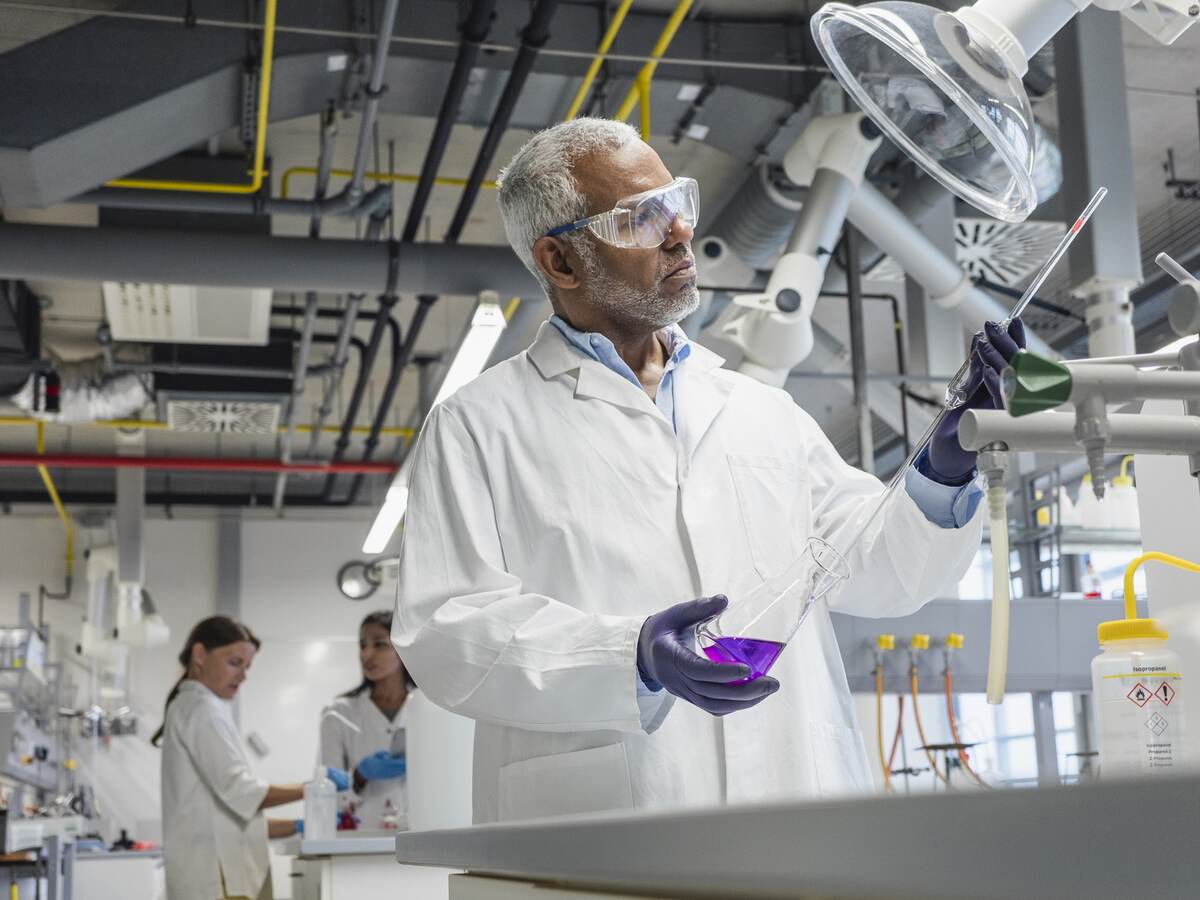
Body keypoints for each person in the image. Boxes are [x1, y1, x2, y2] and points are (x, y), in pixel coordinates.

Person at [392, 117, 1025, 823]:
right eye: (641, 217)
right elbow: (446, 630)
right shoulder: (478, 424)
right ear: (560, 262)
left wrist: (941, 470)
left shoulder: (760, 410)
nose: (678, 233)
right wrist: (627, 655)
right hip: (606, 823)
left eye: (679, 204)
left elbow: (882, 568)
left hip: (791, 805)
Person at [153, 616, 350, 900]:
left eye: (247, 667)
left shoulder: (195, 706)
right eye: (234, 663)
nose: (243, 675)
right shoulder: (201, 709)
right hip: (218, 877)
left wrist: (295, 827)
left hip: (213, 873)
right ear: (199, 655)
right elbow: (242, 792)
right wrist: (314, 787)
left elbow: (227, 811)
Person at [319, 611, 412, 830]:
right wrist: (359, 776)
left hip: (422, 834)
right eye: (362, 645)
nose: (366, 654)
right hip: (362, 840)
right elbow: (326, 794)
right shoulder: (339, 714)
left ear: (403, 647)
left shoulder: (429, 709)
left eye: (379, 644)